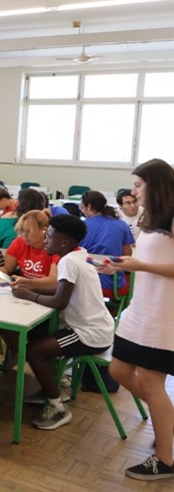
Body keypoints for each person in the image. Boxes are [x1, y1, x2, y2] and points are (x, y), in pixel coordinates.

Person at [100, 159, 174, 480]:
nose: (134, 191)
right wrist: (121, 264)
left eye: (138, 185)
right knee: (118, 370)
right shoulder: (150, 218)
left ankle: (166, 461)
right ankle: (167, 419)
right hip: (140, 309)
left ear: (155, 186)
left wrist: (139, 267)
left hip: (162, 314)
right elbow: (148, 258)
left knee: (150, 381)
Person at [11, 215, 114, 431]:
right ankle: (53, 385)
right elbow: (61, 289)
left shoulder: (67, 261)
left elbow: (59, 301)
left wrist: (29, 295)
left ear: (64, 242)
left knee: (34, 351)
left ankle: (57, 406)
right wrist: (30, 287)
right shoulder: (78, 254)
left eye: (49, 236)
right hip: (98, 327)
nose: (46, 240)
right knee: (38, 336)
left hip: (89, 333)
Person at [0, 210, 59, 291]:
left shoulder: (55, 247)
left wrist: (28, 282)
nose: (24, 235)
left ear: (44, 230)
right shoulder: (20, 242)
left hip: (43, 292)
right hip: (24, 289)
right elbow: (6, 267)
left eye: (28, 231)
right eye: (22, 231)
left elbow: (54, 280)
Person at [79, 190, 134, 296]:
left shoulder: (81, 226)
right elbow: (128, 254)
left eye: (82, 207)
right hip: (112, 286)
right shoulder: (121, 225)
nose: (82, 211)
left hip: (84, 283)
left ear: (89, 207)